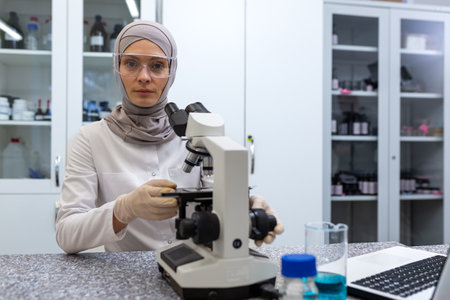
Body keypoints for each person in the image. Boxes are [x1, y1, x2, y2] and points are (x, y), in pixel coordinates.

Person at [55, 20, 283, 254]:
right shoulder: (90, 139)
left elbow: (218, 198)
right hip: (126, 278)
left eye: (157, 65)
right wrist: (124, 209)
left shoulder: (199, 134)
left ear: (171, 70)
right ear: (117, 67)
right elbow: (66, 234)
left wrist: (249, 207)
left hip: (197, 267)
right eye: (131, 63)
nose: (144, 76)